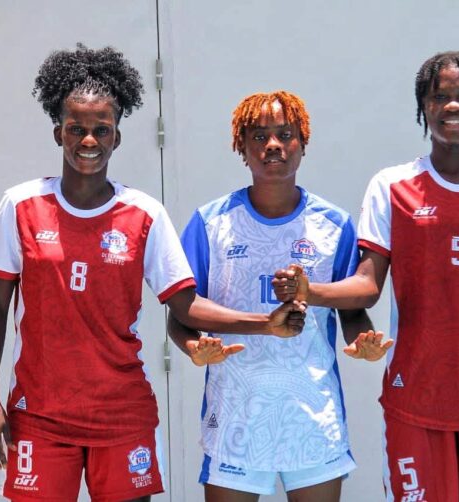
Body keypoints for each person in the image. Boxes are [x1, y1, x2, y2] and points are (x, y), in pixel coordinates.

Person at [0, 45, 305, 502]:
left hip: (122, 416)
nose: (88, 141)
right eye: (76, 129)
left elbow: (185, 305)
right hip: (40, 416)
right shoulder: (21, 206)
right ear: (58, 133)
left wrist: (265, 324)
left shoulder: (144, 213)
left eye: (101, 130)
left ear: (117, 137)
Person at [273, 51, 459, 501]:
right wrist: (313, 291)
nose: (452, 105)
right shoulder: (392, 186)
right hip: (416, 396)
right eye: (439, 96)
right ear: (423, 106)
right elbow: (368, 286)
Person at [168, 91, 392, 502]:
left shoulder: (333, 224)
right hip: (235, 415)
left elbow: (351, 310)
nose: (273, 145)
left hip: (311, 416)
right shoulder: (210, 222)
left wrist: (362, 339)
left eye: (285, 134)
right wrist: (191, 346)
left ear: (303, 143)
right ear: (242, 147)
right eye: (259, 136)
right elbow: (180, 312)